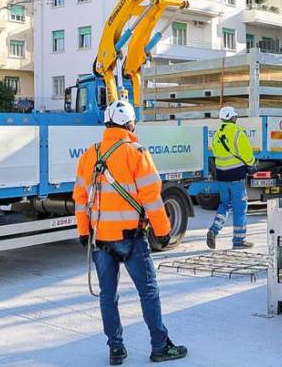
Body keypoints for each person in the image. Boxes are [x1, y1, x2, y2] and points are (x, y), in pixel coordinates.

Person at [73, 100, 187, 365]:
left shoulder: (90, 154)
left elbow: (80, 198)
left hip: (101, 240)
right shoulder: (137, 152)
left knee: (107, 296)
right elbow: (152, 197)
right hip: (132, 239)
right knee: (148, 293)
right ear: (129, 124)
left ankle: (116, 349)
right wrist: (163, 231)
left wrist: (82, 230)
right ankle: (159, 346)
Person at [207, 106, 257, 250]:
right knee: (240, 207)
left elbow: (215, 153)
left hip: (222, 175)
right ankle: (239, 240)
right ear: (233, 118)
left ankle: (214, 229)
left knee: (225, 205)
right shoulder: (237, 132)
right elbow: (246, 154)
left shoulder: (217, 134)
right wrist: (252, 164)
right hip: (236, 175)